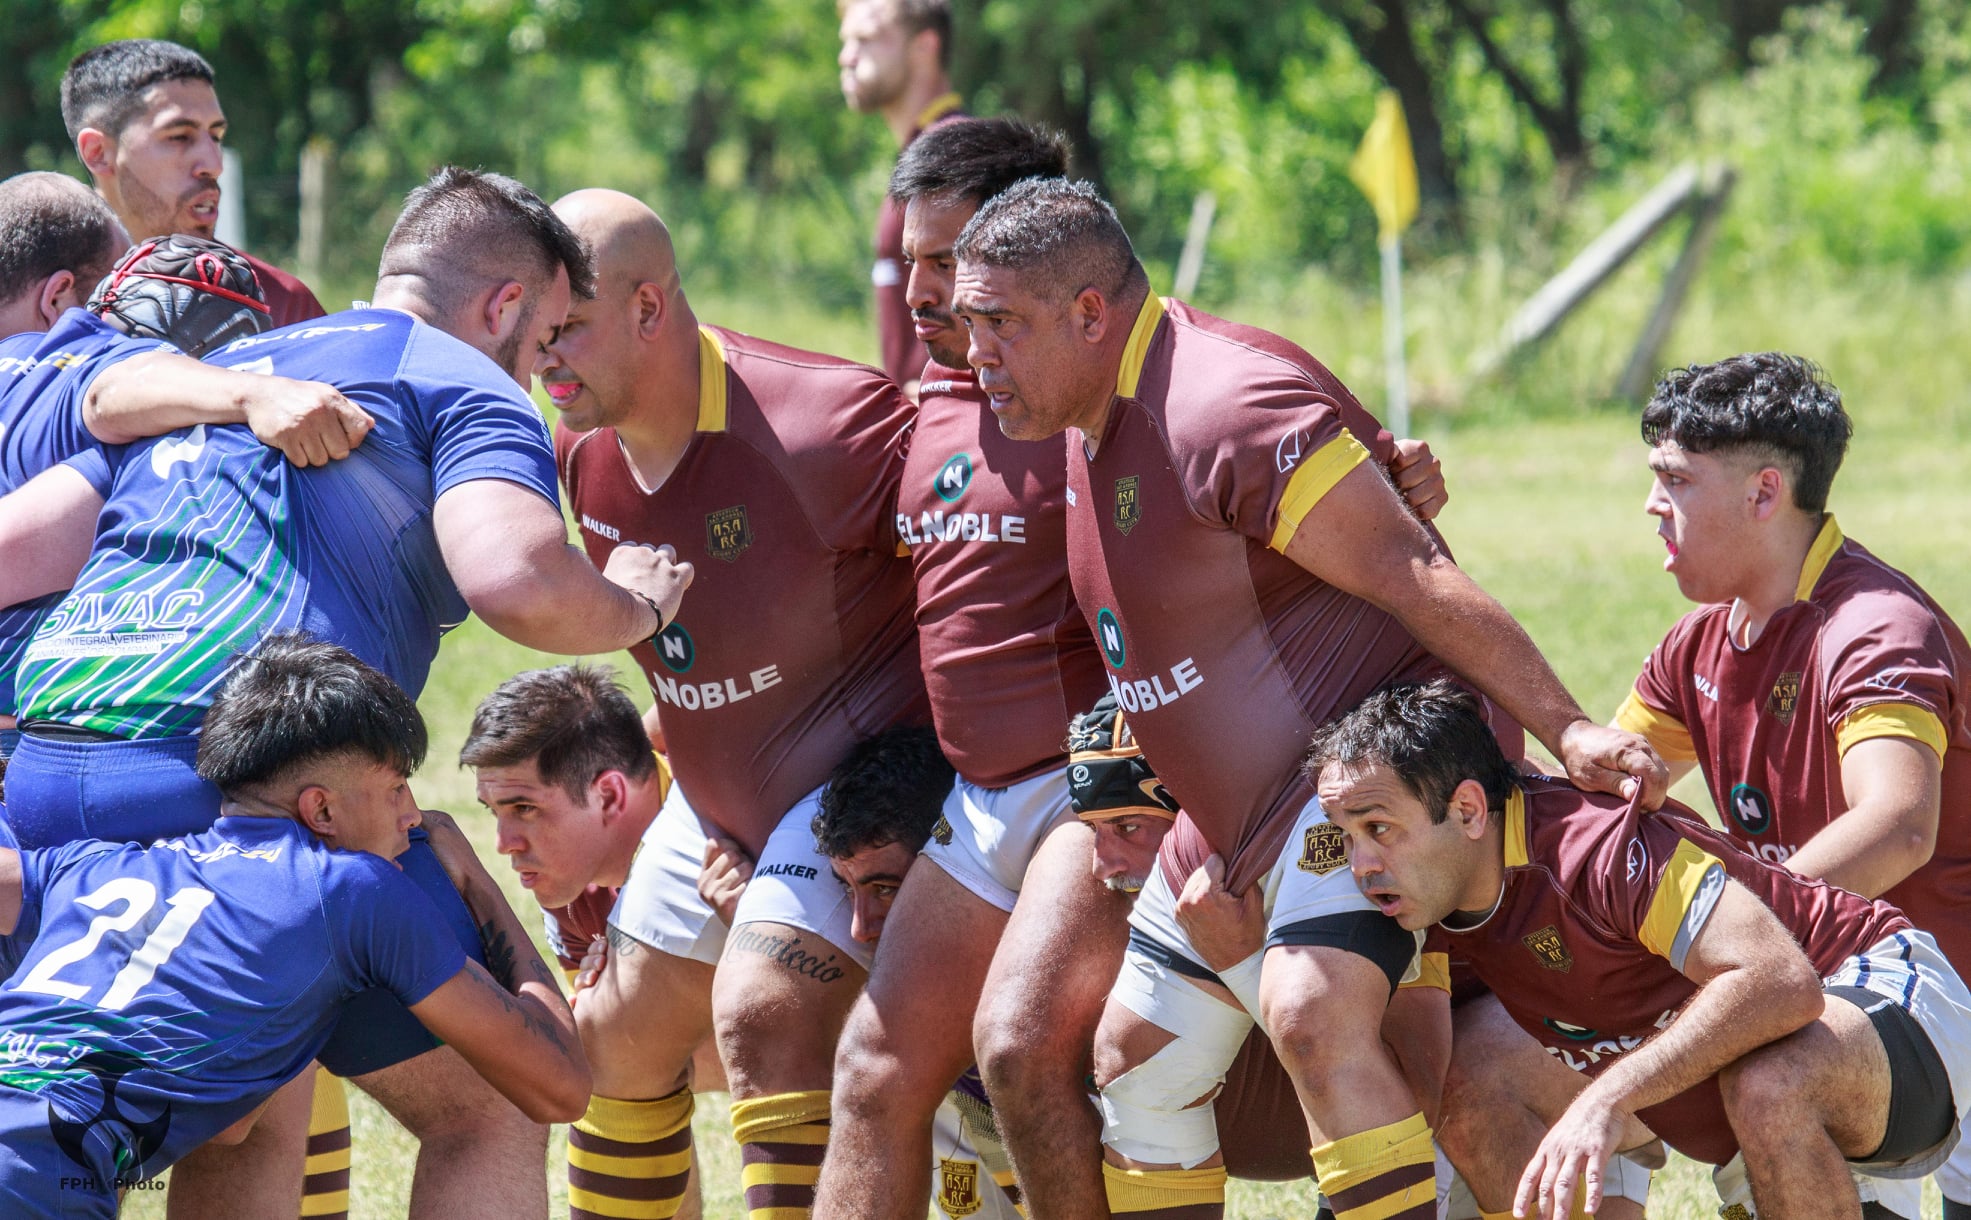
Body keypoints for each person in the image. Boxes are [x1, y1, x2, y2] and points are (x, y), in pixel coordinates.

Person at [947, 177, 1663, 1219]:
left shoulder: (1220, 403)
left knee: (1313, 1010)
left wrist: (1568, 725)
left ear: (1089, 313)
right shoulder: (1086, 417)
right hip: (1231, 816)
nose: (979, 356)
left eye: (998, 324)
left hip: (1350, 788)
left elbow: (1413, 567)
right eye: (973, 326)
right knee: (1135, 1055)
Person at [0, 166, 691, 1219]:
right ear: (503, 306)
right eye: (548, 330)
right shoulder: (462, 384)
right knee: (492, 1107)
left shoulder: (223, 373)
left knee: (258, 1100)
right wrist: (633, 603)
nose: (547, 359)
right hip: (249, 788)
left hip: (49, 783)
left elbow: (17, 553)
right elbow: (516, 580)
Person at [813, 117, 1451, 1220]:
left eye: (952, 263)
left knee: (1020, 1043)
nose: (930, 293)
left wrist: (1398, 480)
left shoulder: (1121, 404)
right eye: (912, 264)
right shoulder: (922, 408)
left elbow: (1321, 534)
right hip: (972, 802)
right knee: (872, 1063)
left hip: (1097, 792)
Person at [539, 187, 921, 1220]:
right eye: (534, 330)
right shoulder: (581, 453)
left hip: (853, 792)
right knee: (607, 1037)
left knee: (762, 1010)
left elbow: (999, 558)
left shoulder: (829, 424)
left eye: (567, 325)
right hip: (714, 813)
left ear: (651, 309)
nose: (543, 357)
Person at [1317, 679, 1971, 1220]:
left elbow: (1777, 981)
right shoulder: (1426, 894)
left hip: (1881, 992)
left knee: (1770, 1083)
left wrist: (1606, 1100)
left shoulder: (1588, 847)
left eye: (1379, 828)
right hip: (1740, 1068)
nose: (1361, 864)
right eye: (1345, 837)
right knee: (1474, 1071)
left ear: (1466, 812)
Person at [0, 634, 591, 1218]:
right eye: (395, 788)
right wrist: (474, 882)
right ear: (322, 810)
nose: (412, 815)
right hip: (36, 1181)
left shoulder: (91, 867)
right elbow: (558, 1087)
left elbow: (231, 1127)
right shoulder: (353, 888)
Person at [1604, 351, 1971, 1216]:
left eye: (1675, 479)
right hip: (1846, 1000)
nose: (1651, 506)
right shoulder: (1695, 647)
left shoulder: (1876, 628)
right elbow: (1597, 807)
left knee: (1764, 1065)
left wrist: (1734, 938)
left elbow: (1896, 825)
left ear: (1763, 493)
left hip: (1953, 996)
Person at [0, 180, 366, 793]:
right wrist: (253, 393)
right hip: (54, 741)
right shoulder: (108, 392)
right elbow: (113, 390)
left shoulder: (19, 363)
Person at [60, 38, 327, 327]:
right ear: (98, 153)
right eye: (179, 137)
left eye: (216, 136)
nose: (214, 165)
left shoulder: (282, 304)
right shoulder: (36, 300)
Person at [837, 0, 964, 396]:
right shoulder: (921, 151)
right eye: (845, 41)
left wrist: (939, 394)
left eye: (867, 39)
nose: (846, 57)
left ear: (925, 47)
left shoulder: (956, 155)